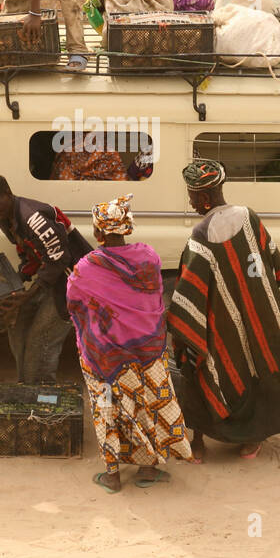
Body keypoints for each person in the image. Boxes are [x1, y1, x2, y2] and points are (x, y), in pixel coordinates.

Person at [166, 159, 280, 462]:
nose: (190, 201)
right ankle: (251, 440)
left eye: (192, 196)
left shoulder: (200, 238)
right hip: (264, 317)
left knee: (197, 366)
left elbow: (190, 298)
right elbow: (277, 269)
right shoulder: (250, 218)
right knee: (261, 369)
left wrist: (184, 333)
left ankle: (197, 443)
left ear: (205, 198)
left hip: (222, 327)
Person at [67, 194, 192, 493]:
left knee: (107, 409)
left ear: (98, 233)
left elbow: (73, 304)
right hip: (146, 351)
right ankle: (147, 469)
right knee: (148, 405)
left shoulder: (86, 267)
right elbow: (155, 300)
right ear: (128, 228)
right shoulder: (149, 258)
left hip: (104, 355)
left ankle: (112, 475)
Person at [0, 173, 92, 384]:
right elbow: (30, 256)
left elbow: (59, 259)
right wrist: (16, 281)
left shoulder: (33, 218)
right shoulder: (7, 221)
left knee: (41, 340)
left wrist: (29, 293)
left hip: (74, 282)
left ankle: (42, 394)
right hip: (53, 279)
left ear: (8, 194)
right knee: (17, 322)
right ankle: (27, 384)